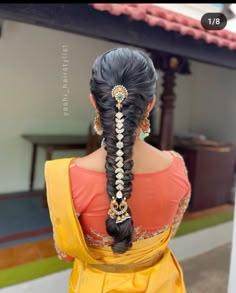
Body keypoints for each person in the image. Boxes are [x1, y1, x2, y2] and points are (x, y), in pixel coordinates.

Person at [45, 47, 191, 293]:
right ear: (150, 104)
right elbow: (169, 233)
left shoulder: (66, 177)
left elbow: (65, 252)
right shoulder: (176, 165)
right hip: (160, 285)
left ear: (94, 100)